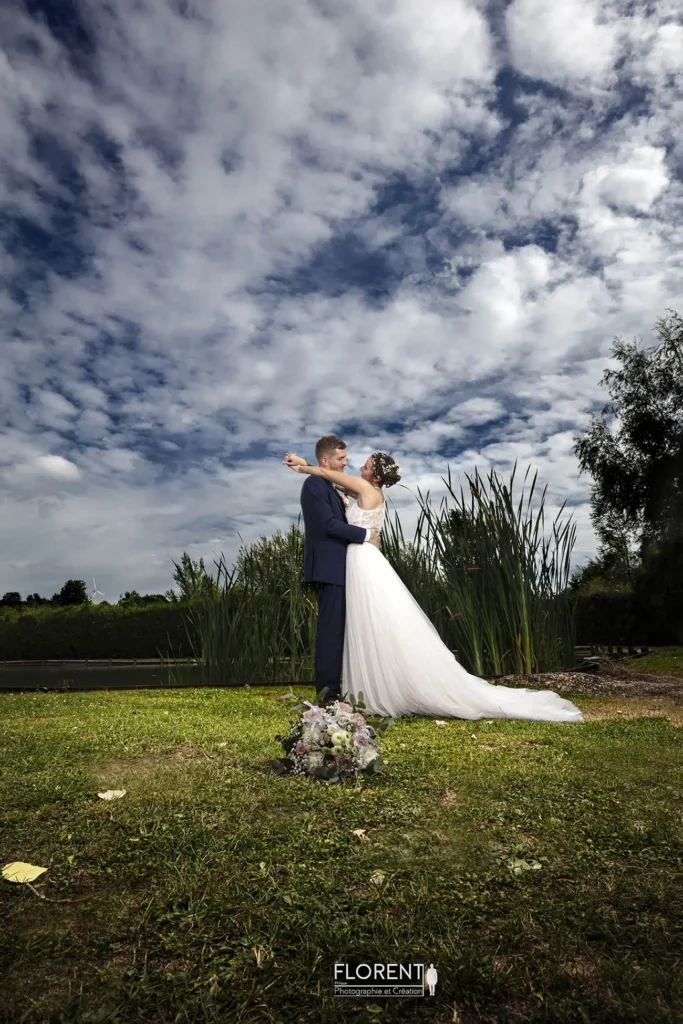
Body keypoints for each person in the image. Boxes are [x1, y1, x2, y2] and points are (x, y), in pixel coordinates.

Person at [284, 441, 583, 723]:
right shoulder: (367, 489)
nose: (355, 467)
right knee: (372, 623)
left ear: (372, 474)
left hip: (362, 561)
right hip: (361, 561)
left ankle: (364, 689)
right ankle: (361, 686)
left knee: (372, 621)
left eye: (362, 465)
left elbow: (326, 473)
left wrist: (302, 464)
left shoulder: (363, 486)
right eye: (350, 462)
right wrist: (308, 468)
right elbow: (329, 479)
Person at [291, 435, 379, 705]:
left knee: (341, 630)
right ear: (327, 460)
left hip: (344, 568)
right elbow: (328, 524)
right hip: (330, 567)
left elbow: (326, 474)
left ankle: (340, 688)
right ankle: (327, 695)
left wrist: (304, 462)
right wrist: (366, 535)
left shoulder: (326, 481)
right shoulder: (314, 485)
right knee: (330, 632)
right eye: (341, 459)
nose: (345, 463)